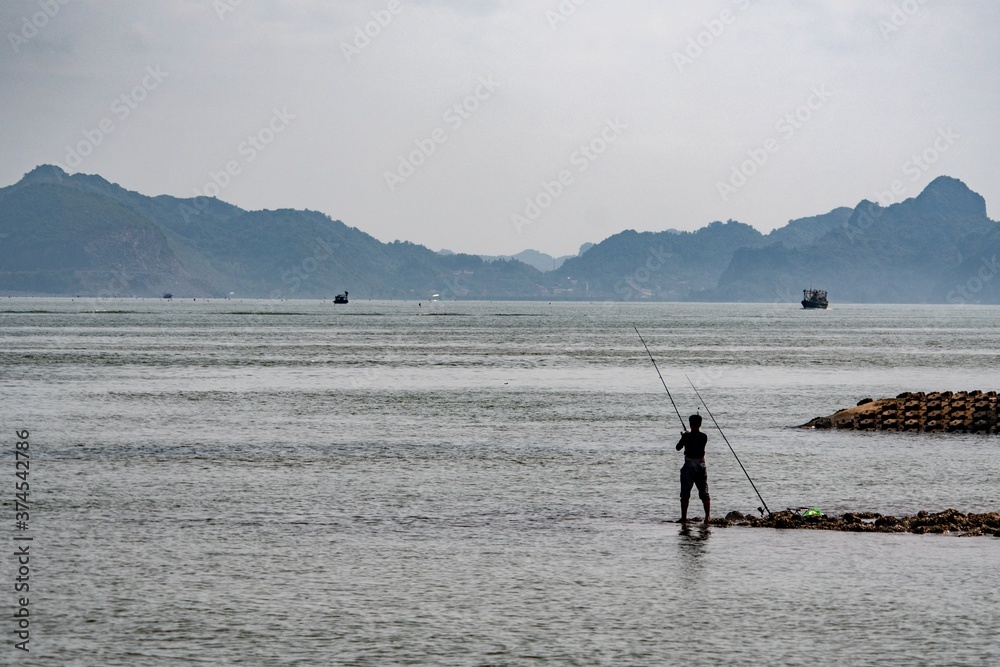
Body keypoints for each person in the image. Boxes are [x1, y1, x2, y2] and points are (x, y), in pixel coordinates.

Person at [676, 414, 710, 523]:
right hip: (701, 465)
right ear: (700, 424)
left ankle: (684, 518)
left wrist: (684, 436)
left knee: (685, 494)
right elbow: (695, 439)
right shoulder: (704, 437)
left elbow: (678, 448)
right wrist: (687, 435)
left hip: (689, 464)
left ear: (690, 424)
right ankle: (707, 517)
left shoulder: (686, 436)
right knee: (704, 492)